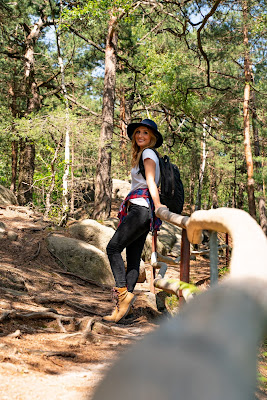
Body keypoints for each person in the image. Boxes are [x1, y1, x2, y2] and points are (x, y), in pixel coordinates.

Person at [103, 118, 166, 323]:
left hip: (141, 209)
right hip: (142, 211)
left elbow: (150, 181)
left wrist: (157, 207)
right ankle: (124, 309)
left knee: (113, 248)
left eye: (145, 133)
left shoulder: (148, 153)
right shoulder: (146, 154)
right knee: (133, 258)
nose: (140, 135)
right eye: (137, 132)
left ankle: (122, 294)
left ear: (153, 138)